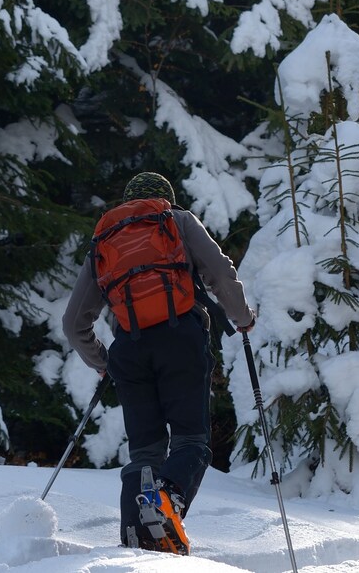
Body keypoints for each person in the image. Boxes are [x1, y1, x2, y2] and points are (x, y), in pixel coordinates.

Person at [62, 171, 255, 554]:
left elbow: (73, 323)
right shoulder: (177, 220)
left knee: (146, 452)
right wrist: (242, 317)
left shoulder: (104, 240)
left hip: (129, 351)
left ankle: (137, 541)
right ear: (165, 198)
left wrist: (103, 362)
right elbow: (219, 272)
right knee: (191, 439)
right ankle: (167, 499)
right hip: (181, 338)